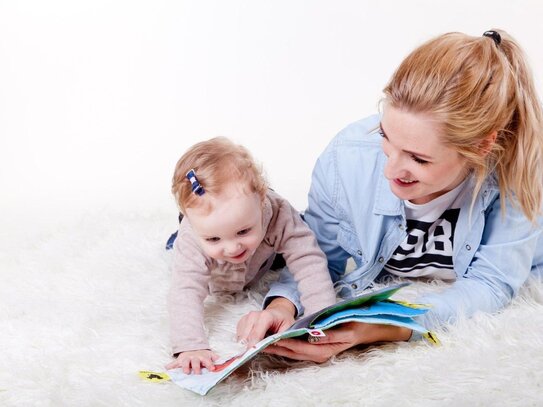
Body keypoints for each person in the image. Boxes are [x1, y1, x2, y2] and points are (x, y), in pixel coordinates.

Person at [236, 29, 543, 362]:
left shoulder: (517, 173)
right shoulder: (346, 159)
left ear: (481, 146)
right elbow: (317, 253)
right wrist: (283, 303)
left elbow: (490, 286)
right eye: (386, 136)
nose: (390, 169)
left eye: (418, 158)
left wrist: (383, 327)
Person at [165, 136, 336, 373]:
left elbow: (308, 260)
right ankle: (178, 237)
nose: (233, 248)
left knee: (303, 233)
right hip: (214, 265)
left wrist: (324, 317)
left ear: (262, 198)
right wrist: (190, 346)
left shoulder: (277, 212)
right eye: (214, 238)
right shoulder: (192, 237)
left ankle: (256, 236)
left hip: (262, 256)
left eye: (243, 231)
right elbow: (185, 290)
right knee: (178, 249)